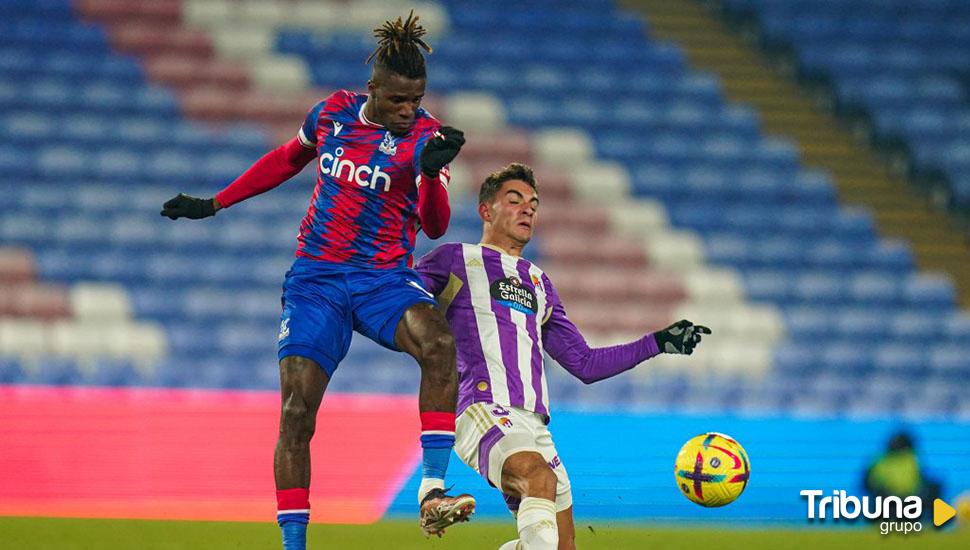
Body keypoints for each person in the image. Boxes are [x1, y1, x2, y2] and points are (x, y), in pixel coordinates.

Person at [159, 12, 474, 548]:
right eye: (397, 99)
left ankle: (433, 490)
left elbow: (436, 224)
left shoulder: (428, 137)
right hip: (317, 280)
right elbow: (287, 159)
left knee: (440, 344)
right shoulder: (332, 113)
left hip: (383, 280)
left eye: (415, 99)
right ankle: (294, 544)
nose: (407, 110)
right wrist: (215, 202)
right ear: (372, 89)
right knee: (296, 412)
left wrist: (428, 173)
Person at [414, 163, 711, 549]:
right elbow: (401, 295)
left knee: (561, 545)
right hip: (482, 406)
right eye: (515, 200)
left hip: (534, 425)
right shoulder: (454, 259)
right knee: (539, 478)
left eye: (533, 205)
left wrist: (656, 342)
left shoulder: (538, 282)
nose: (527, 210)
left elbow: (584, 364)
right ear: (486, 211)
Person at [864, 430, 941, 520]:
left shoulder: (912, 458)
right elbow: (867, 483)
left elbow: (922, 480)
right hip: (888, 501)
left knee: (934, 488)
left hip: (910, 500)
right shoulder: (880, 460)